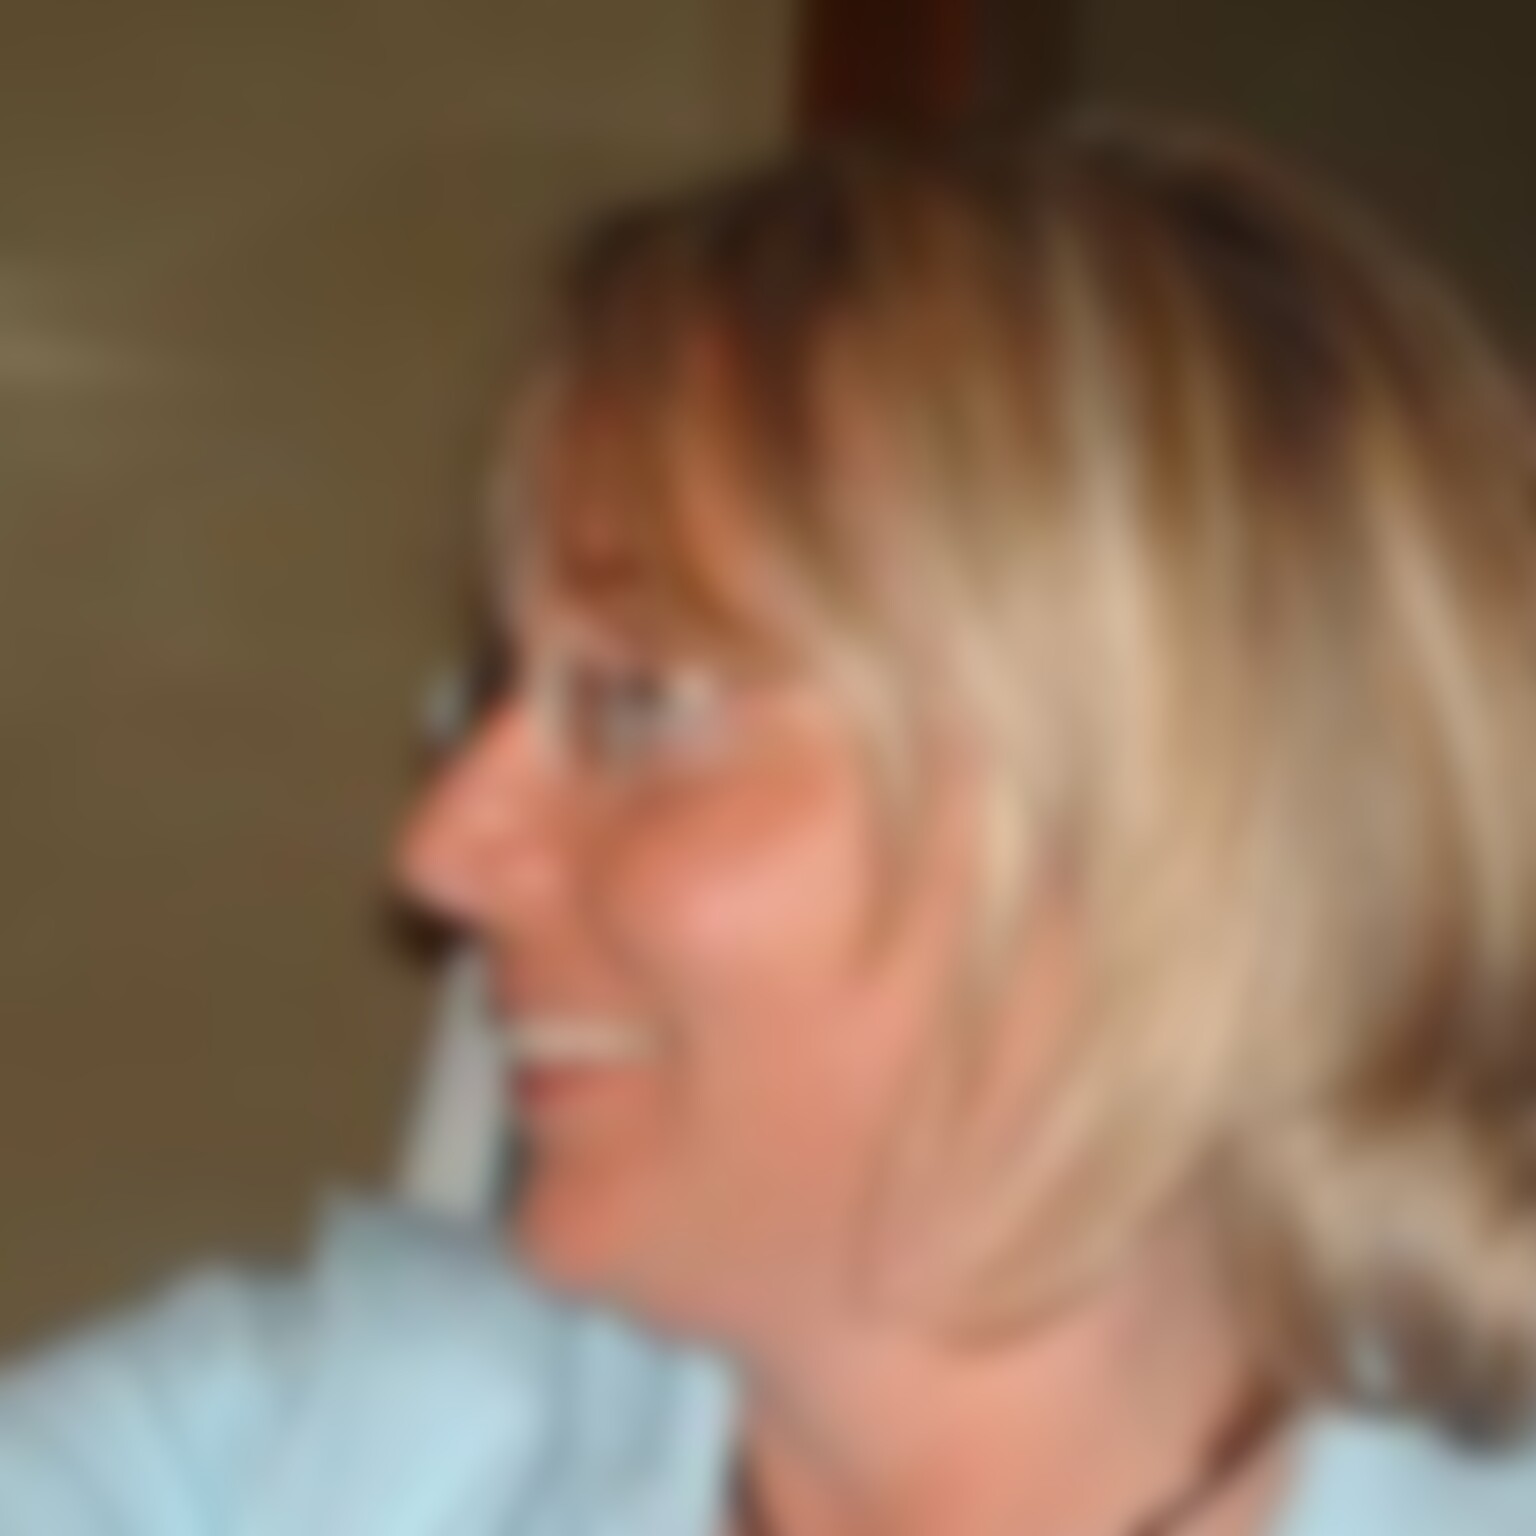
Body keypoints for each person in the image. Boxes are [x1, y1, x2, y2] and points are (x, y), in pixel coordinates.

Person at [4, 115, 1536, 1536]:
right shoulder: (289, 1459)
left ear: (1164, 805)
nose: (442, 852)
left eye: (642, 702)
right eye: (500, 690)